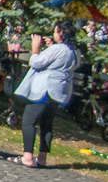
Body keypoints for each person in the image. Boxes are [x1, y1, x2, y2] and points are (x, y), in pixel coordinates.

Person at [10, 20, 78, 167]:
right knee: (47, 124)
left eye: (55, 31)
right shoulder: (72, 51)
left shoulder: (58, 49)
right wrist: (51, 47)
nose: (53, 34)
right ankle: (42, 158)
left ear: (61, 33)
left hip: (44, 91)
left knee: (28, 121)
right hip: (58, 93)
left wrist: (35, 48)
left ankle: (27, 157)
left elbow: (36, 62)